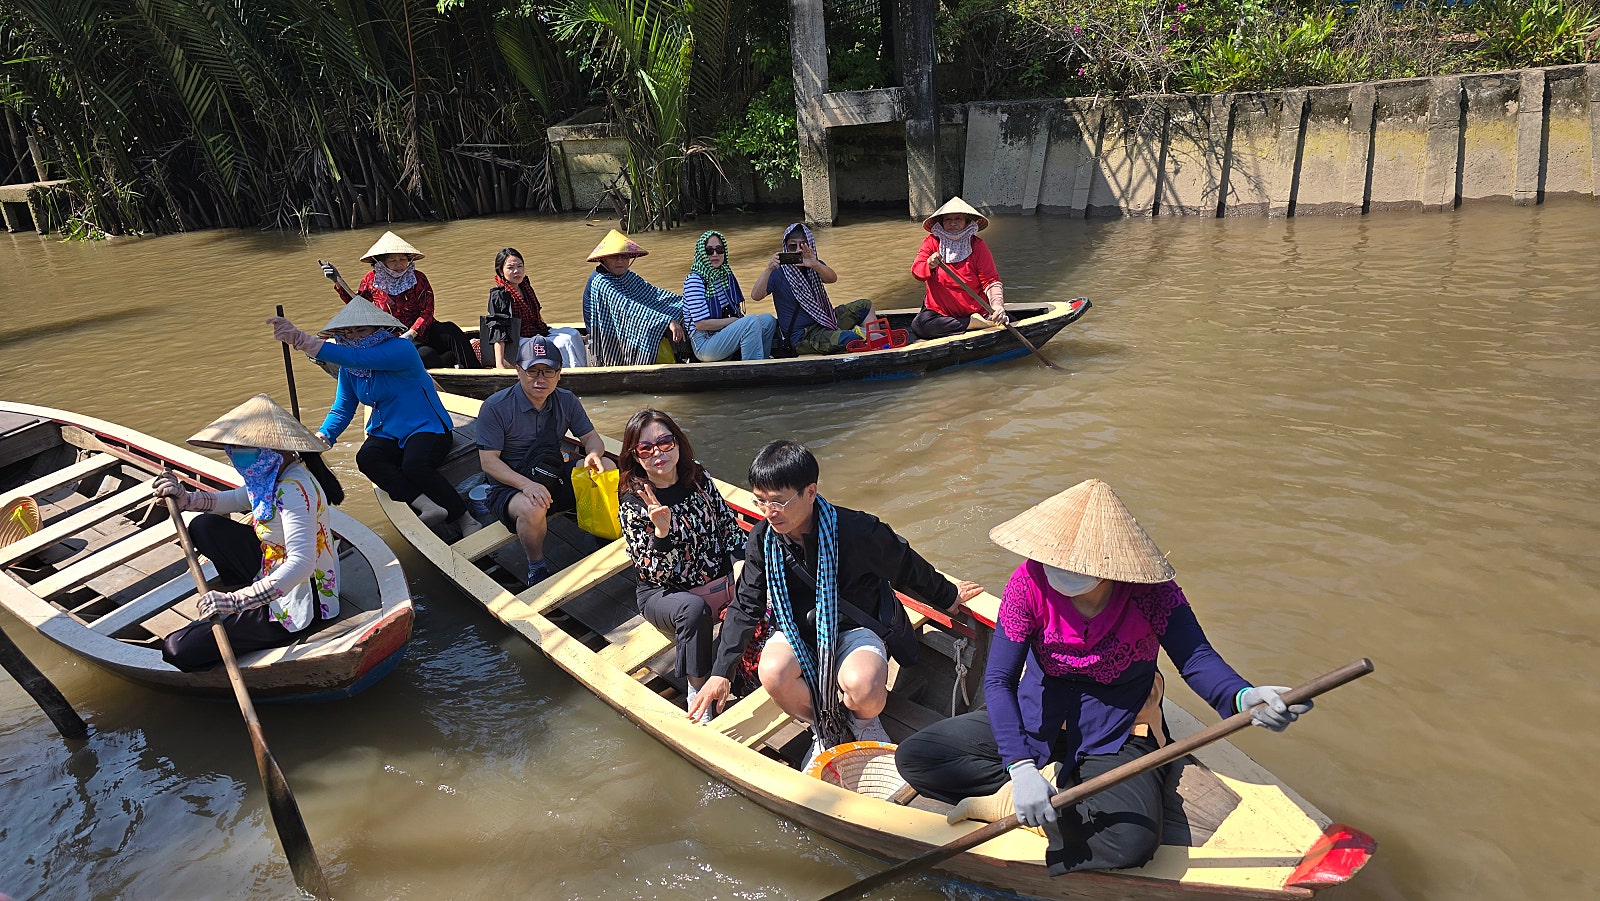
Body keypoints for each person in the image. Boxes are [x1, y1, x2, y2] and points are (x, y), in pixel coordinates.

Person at [893, 479, 1313, 876]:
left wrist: (1242, 698)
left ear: (1114, 566)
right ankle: (1029, 791)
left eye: (1080, 565)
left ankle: (1018, 799)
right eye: (1056, 559)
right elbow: (1000, 679)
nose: (1062, 570)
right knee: (917, 758)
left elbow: (1196, 659)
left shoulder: (1153, 592)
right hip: (1037, 713)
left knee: (1132, 844)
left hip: (1118, 723)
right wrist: (1020, 767)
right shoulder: (1028, 584)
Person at [688, 440, 984, 767]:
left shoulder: (857, 530)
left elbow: (905, 565)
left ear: (810, 492)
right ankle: (826, 726)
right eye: (760, 501)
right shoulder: (764, 538)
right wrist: (721, 672)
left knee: (864, 687)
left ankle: (863, 722)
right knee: (772, 672)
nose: (769, 512)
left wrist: (948, 596)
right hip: (797, 629)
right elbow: (746, 605)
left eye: (778, 502)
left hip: (854, 628)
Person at [154, 394, 344, 672]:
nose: (234, 454)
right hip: (271, 563)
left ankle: (248, 605)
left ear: (274, 450)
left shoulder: (294, 489)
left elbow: (302, 563)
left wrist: (238, 601)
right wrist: (186, 499)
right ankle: (242, 591)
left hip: (300, 595)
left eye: (243, 448)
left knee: (177, 648)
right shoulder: (273, 475)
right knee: (204, 525)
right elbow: (236, 499)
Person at [270, 300, 474, 537]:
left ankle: (465, 518)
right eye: (348, 332)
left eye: (362, 330)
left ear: (378, 329)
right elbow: (342, 407)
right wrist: (324, 436)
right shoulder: (349, 369)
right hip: (387, 430)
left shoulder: (400, 350)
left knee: (415, 465)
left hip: (426, 426)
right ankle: (427, 505)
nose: (354, 336)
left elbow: (358, 357)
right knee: (367, 458)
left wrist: (300, 339)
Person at [616, 409, 747, 722]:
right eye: (646, 448)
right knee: (692, 609)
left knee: (764, 576)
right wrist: (662, 532)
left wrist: (741, 562)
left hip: (719, 582)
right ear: (635, 456)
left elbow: (729, 528)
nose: (658, 453)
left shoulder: (697, 476)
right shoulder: (634, 499)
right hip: (665, 594)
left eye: (665, 442)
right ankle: (697, 691)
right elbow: (651, 571)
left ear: (677, 442)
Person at [476, 335, 615, 585]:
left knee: (607, 467)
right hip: (510, 485)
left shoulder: (566, 400)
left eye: (548, 371)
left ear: (559, 374)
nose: (540, 379)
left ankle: (600, 530)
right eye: (533, 371)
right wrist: (526, 486)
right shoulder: (495, 407)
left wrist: (593, 455)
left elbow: (592, 439)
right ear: (518, 371)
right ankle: (536, 565)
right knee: (532, 507)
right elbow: (489, 462)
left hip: (551, 472)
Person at [318, 230, 479, 369]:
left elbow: (427, 311)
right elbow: (359, 306)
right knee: (427, 356)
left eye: (402, 259)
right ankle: (446, 361)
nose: (399, 264)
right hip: (394, 337)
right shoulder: (371, 280)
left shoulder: (418, 278)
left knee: (451, 330)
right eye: (393, 260)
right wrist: (337, 281)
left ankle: (474, 372)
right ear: (382, 262)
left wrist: (412, 332)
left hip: (422, 330)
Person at [751, 223, 880, 356]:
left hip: (825, 320)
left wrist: (815, 264)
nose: (797, 250)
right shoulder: (778, 273)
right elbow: (755, 295)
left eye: (802, 245)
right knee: (849, 339)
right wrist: (768, 269)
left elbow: (832, 278)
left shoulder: (813, 265)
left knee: (865, 306)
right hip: (803, 337)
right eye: (792, 246)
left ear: (809, 246)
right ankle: (871, 346)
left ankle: (878, 346)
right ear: (786, 248)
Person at [581, 229, 686, 366]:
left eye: (624, 257)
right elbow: (628, 308)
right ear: (603, 259)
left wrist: (687, 301)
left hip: (625, 319)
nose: (620, 261)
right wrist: (667, 321)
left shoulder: (626, 275)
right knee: (656, 325)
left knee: (682, 312)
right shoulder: (601, 282)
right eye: (614, 257)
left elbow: (653, 294)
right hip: (606, 337)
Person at [910, 196, 1008, 340]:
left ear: (967, 222)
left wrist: (998, 306)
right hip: (941, 311)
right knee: (919, 325)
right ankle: (971, 324)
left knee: (1006, 320)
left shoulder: (977, 245)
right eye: (948, 219)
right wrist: (929, 264)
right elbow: (917, 271)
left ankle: (977, 322)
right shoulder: (931, 242)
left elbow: (991, 280)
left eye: (958, 219)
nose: (953, 223)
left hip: (977, 309)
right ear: (942, 223)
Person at [485, 246, 588, 369]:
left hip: (533, 331)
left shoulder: (524, 285)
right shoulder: (500, 295)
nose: (516, 271)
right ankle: (561, 372)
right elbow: (499, 330)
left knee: (573, 333)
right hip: (516, 340)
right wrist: (500, 365)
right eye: (510, 268)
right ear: (501, 271)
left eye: (520, 266)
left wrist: (544, 329)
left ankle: (581, 368)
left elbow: (536, 313)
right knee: (562, 343)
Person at [681, 230, 776, 362]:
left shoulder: (725, 275)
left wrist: (735, 322)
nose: (715, 254)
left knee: (768, 320)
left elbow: (733, 310)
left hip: (722, 333)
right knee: (751, 321)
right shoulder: (695, 280)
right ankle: (753, 371)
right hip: (704, 344)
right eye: (709, 251)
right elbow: (701, 324)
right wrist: (733, 322)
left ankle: (762, 361)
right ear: (702, 253)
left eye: (719, 249)